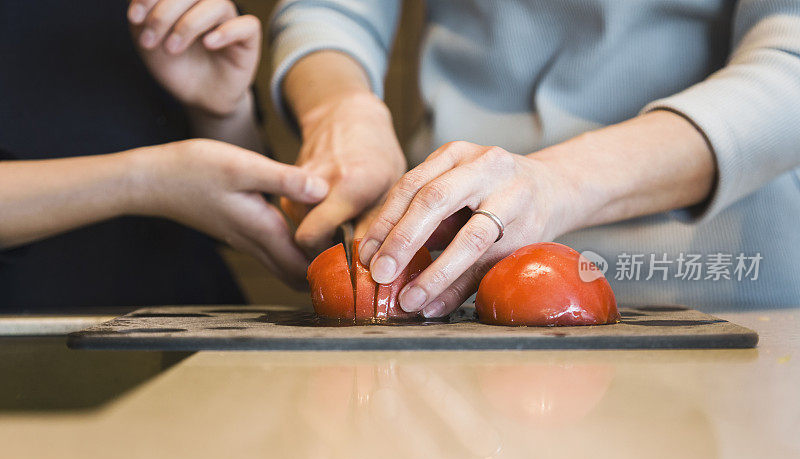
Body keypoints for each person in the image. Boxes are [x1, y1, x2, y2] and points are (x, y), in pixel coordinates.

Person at [269, 0, 800, 314]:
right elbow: (330, 10)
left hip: (715, 291)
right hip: (444, 273)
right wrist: (340, 108)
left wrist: (561, 182)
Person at [0, 0, 326, 310]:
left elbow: (238, 198)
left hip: (193, 328)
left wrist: (222, 112)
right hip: (26, 338)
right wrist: (146, 181)